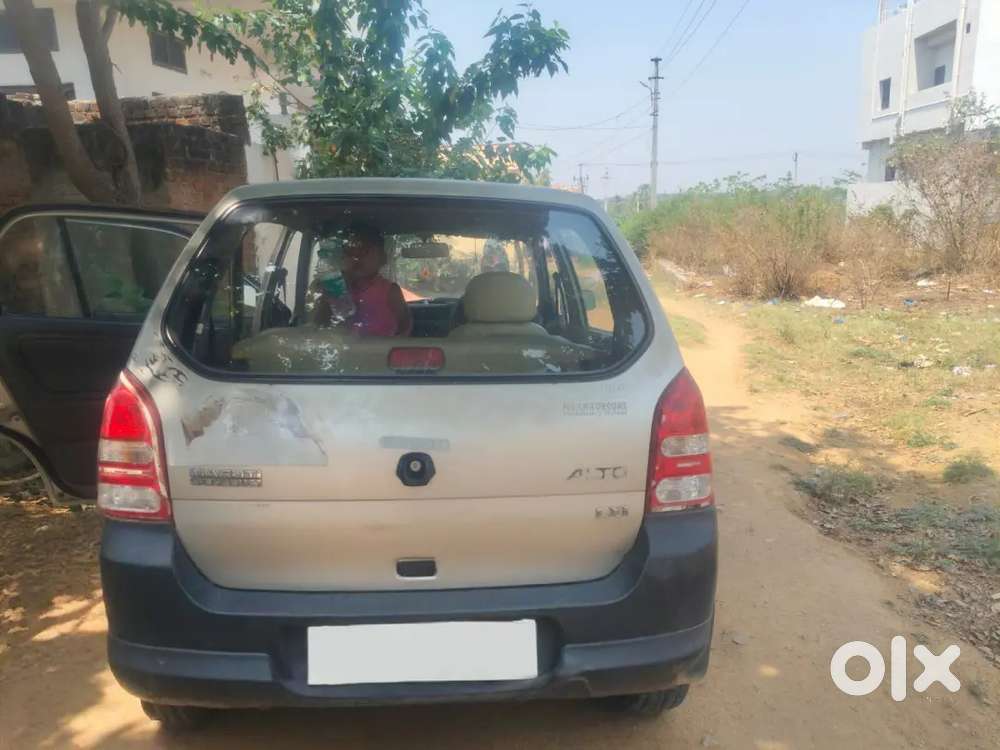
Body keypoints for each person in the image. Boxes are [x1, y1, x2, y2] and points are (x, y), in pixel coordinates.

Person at [314, 226, 412, 336]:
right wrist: (327, 298)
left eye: (364, 251)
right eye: (350, 252)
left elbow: (405, 327)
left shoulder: (390, 291)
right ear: (343, 257)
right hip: (342, 350)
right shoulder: (336, 287)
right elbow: (320, 325)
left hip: (381, 351)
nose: (356, 258)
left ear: (382, 258)